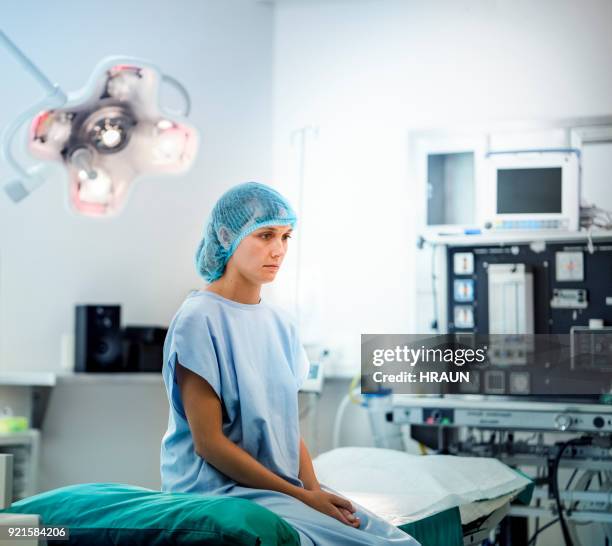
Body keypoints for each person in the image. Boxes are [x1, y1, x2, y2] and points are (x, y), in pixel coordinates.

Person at [160, 182, 420, 546]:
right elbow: (209, 444)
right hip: (218, 491)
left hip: (282, 489)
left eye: (285, 237)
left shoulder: (281, 324)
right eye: (265, 235)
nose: (278, 250)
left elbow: (284, 426)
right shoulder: (199, 319)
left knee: (396, 541)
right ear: (226, 236)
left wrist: (314, 491)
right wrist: (301, 498)